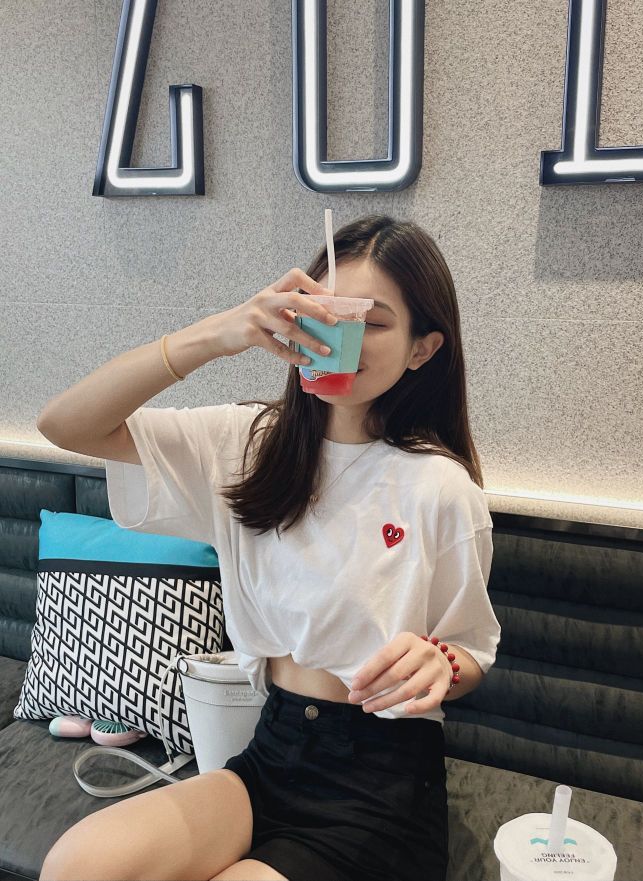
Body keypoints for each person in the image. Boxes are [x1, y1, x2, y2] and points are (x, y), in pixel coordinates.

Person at [37, 214, 501, 881]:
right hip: (272, 747)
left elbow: (470, 650)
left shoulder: (440, 487)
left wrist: (442, 664)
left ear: (422, 349)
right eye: (324, 313)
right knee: (75, 865)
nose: (339, 336)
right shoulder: (248, 445)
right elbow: (66, 424)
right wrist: (218, 334)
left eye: (371, 323)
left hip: (382, 780)